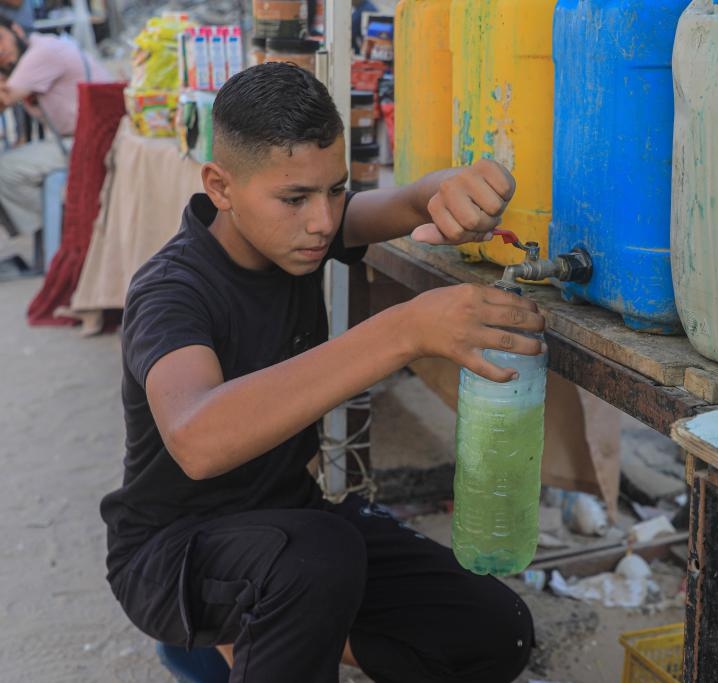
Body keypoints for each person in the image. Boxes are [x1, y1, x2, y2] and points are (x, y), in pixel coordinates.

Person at [100, 61, 542, 683]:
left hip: (290, 526)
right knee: (317, 558)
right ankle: (235, 635)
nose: (323, 221)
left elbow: (410, 202)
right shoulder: (172, 291)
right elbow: (197, 437)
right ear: (220, 188)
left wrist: (454, 190)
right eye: (296, 197)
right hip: (174, 555)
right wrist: (405, 330)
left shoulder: (298, 230)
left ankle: (261, 639)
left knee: (496, 631)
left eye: (335, 189)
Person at [0, 16, 111, 270]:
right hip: (79, 138)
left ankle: (64, 232)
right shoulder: (38, 50)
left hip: (90, 143)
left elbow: (4, 99)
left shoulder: (42, 53)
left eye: (0, 39)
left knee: (4, 170)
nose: (0, 49)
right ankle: (57, 233)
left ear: (16, 29)